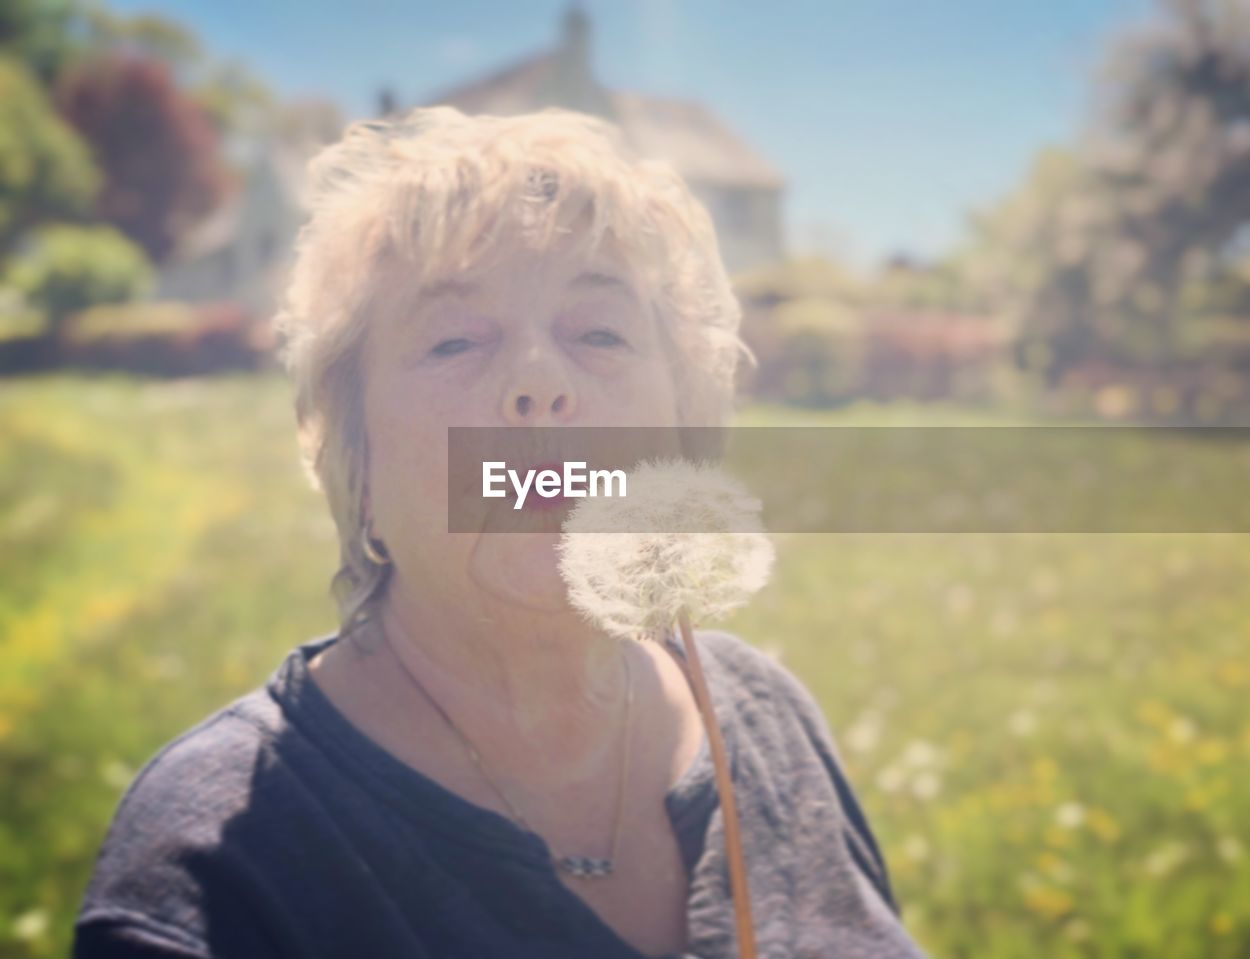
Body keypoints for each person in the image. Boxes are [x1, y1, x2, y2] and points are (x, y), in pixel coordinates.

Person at [73, 107, 928, 958]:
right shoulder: (212, 872)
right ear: (355, 460)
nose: (540, 384)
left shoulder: (769, 713)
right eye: (454, 340)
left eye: (599, 331)